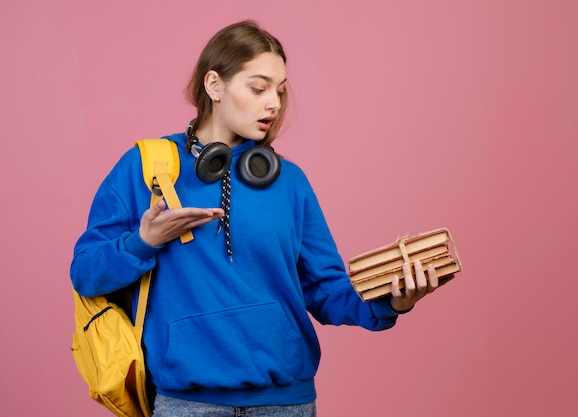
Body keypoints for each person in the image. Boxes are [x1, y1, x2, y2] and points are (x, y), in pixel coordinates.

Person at [70, 20, 439, 417]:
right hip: (187, 405)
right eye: (259, 88)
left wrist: (392, 301)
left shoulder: (289, 182)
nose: (275, 104)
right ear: (214, 86)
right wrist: (144, 241)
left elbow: (327, 290)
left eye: (279, 91)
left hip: (286, 405)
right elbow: (86, 274)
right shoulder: (143, 168)